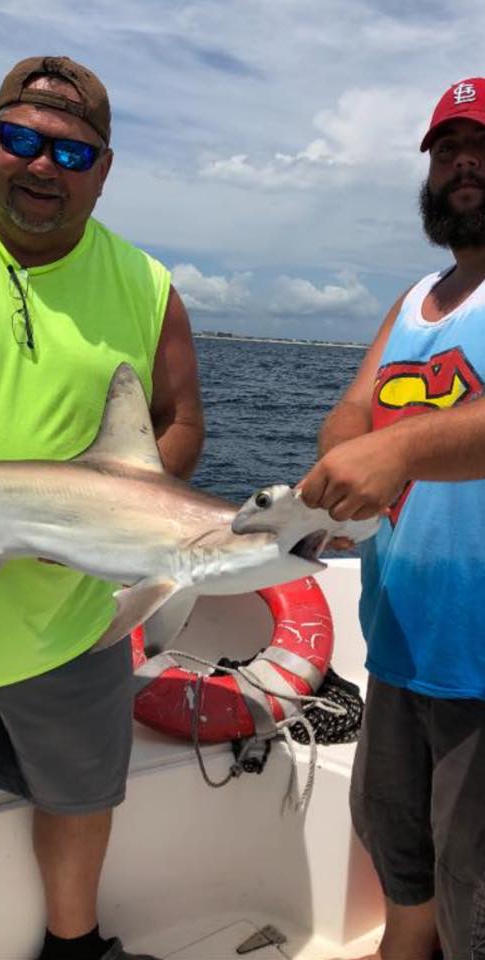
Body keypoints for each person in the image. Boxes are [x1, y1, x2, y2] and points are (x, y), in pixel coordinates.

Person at [0, 56, 204, 960]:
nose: (41, 165)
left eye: (70, 153)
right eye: (22, 139)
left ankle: (73, 947)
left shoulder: (145, 284)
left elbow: (178, 421)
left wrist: (117, 523)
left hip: (76, 619)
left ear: (103, 168)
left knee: (81, 801)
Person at [298, 77, 485, 960]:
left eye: (480, 148)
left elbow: (391, 441)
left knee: (473, 889)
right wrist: (346, 462)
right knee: (398, 854)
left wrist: (400, 450)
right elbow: (349, 412)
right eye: (447, 150)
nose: (463, 164)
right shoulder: (416, 297)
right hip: (401, 641)